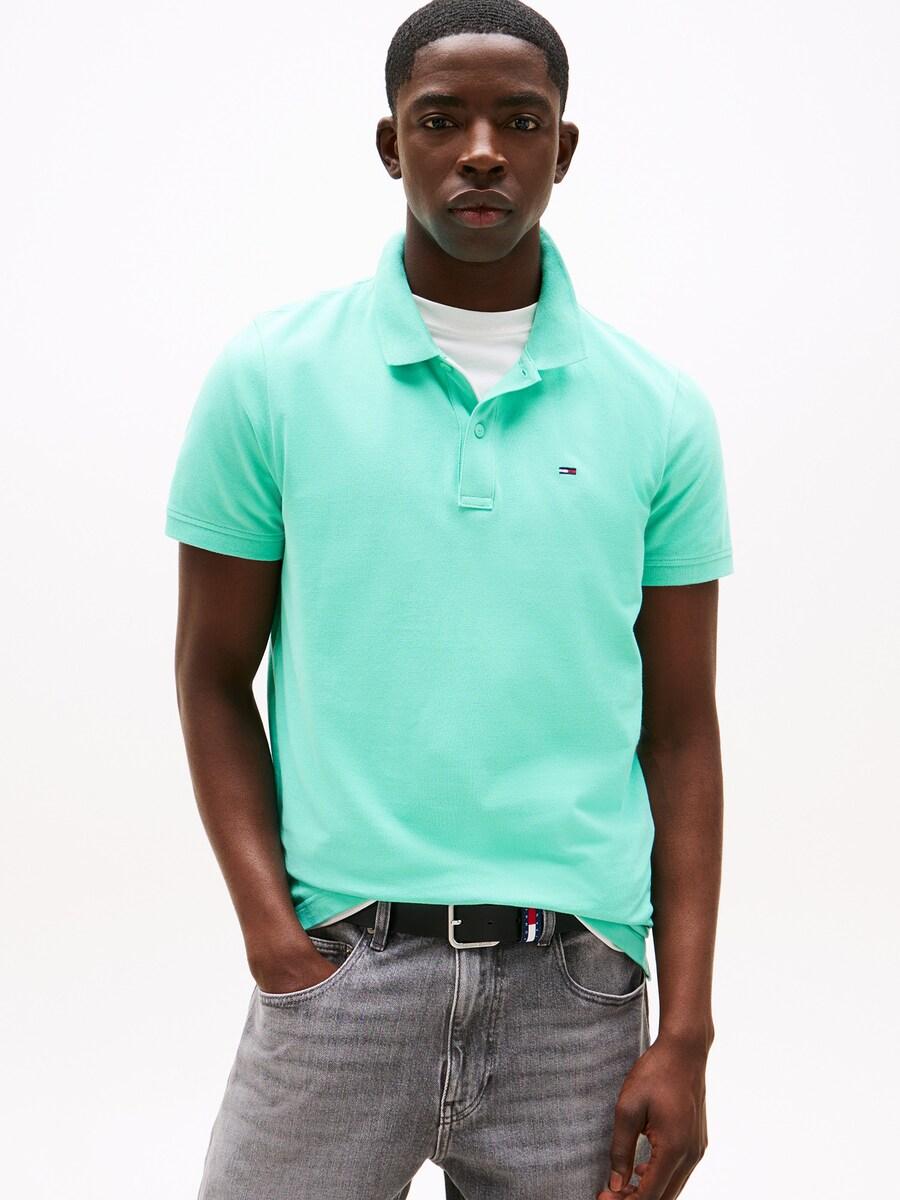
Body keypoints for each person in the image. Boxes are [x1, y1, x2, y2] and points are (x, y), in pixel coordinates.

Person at [164, 2, 734, 1197]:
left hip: (575, 997)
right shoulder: (271, 377)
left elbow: (681, 731)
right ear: (392, 144)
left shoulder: (659, 410)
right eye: (441, 121)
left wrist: (685, 1032)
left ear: (561, 149)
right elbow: (213, 676)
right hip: (343, 973)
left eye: (519, 122)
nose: (481, 151)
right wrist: (274, 937)